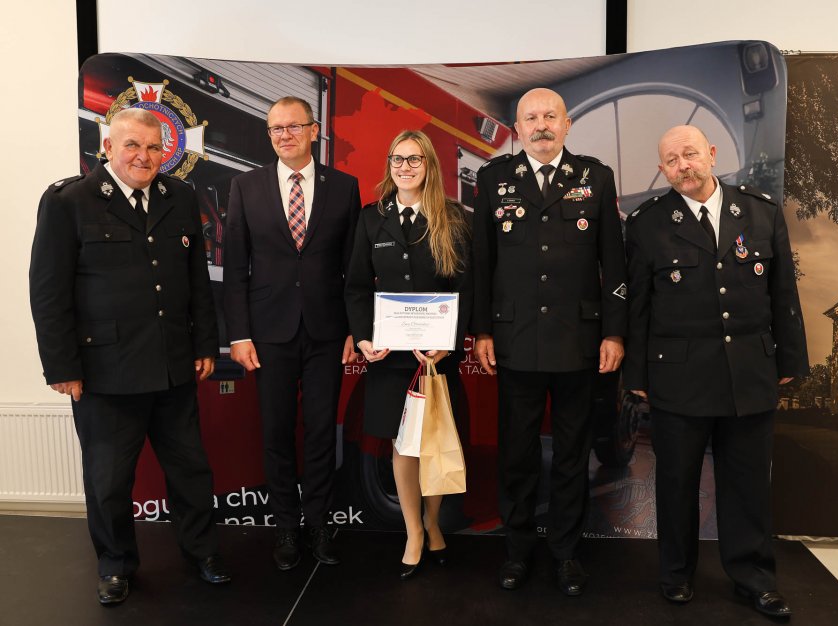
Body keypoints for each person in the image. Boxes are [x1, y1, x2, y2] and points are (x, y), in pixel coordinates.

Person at [28, 107, 229, 606]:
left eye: (154, 147)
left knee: (191, 471)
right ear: (108, 148)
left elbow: (196, 279)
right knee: (109, 481)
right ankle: (115, 564)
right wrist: (62, 367)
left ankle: (203, 553)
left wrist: (205, 343)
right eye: (132, 145)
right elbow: (48, 291)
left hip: (172, 364)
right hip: (105, 372)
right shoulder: (68, 201)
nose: (144, 156)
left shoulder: (180, 196)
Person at [623, 125, 809, 618]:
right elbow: (637, 306)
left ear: (710, 153)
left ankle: (754, 578)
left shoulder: (760, 211)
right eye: (671, 160)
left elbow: (783, 292)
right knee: (677, 482)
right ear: (662, 170)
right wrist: (636, 375)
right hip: (678, 377)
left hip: (749, 372)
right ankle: (676, 574)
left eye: (689, 154)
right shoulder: (647, 224)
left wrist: (790, 358)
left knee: (747, 484)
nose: (682, 165)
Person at [472, 88, 628, 596]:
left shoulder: (595, 177)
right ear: (517, 128)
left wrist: (613, 331)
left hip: (578, 340)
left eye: (550, 116)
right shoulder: (494, 179)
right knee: (517, 453)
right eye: (531, 118)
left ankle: (565, 552)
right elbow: (482, 261)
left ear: (567, 124)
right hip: (515, 338)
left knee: (570, 453)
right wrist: (482, 329)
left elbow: (614, 262)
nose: (541, 125)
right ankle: (517, 550)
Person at [223, 96, 361, 570]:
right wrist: (239, 334)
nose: (284, 135)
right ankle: (286, 525)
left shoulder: (344, 187)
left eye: (293, 126)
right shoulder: (245, 186)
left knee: (322, 431)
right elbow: (235, 267)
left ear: (313, 130)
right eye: (276, 129)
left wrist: (354, 329)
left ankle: (319, 523)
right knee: (276, 431)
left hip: (327, 331)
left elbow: (353, 269)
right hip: (268, 333)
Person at [345, 129, 472, 580]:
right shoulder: (371, 218)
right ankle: (413, 532)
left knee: (433, 444)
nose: (405, 167)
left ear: (429, 165)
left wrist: (449, 340)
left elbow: (465, 286)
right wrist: (363, 337)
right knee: (402, 446)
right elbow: (357, 286)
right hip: (391, 356)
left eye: (414, 159)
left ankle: (433, 524)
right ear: (389, 165)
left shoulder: (452, 218)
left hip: (435, 357)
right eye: (397, 159)